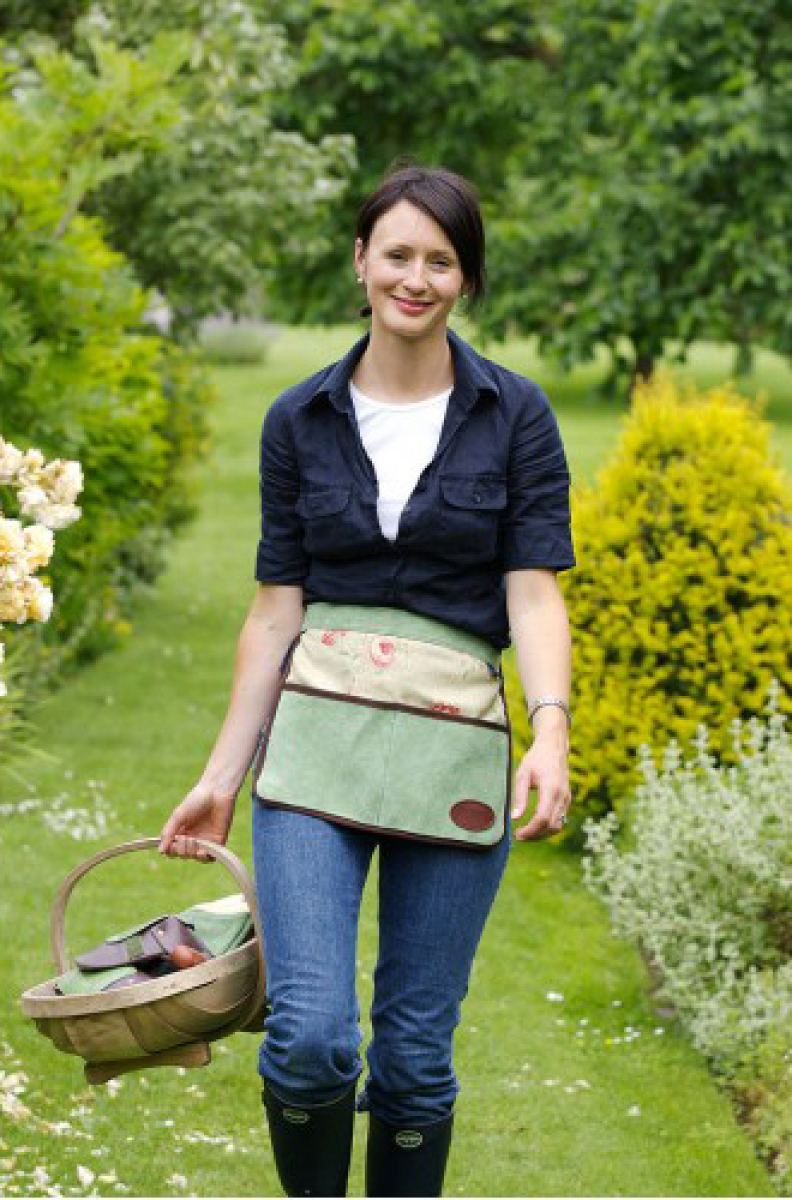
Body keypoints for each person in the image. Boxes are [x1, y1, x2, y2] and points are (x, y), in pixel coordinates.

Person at [159, 162, 575, 1198]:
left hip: (453, 750)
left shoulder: (515, 416)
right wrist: (223, 772)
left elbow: (532, 596)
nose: (416, 277)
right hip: (315, 753)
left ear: (465, 279)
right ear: (361, 261)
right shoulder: (298, 421)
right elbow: (274, 612)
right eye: (398, 254)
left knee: (416, 1058)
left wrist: (555, 730)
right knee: (306, 1038)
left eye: (441, 260)